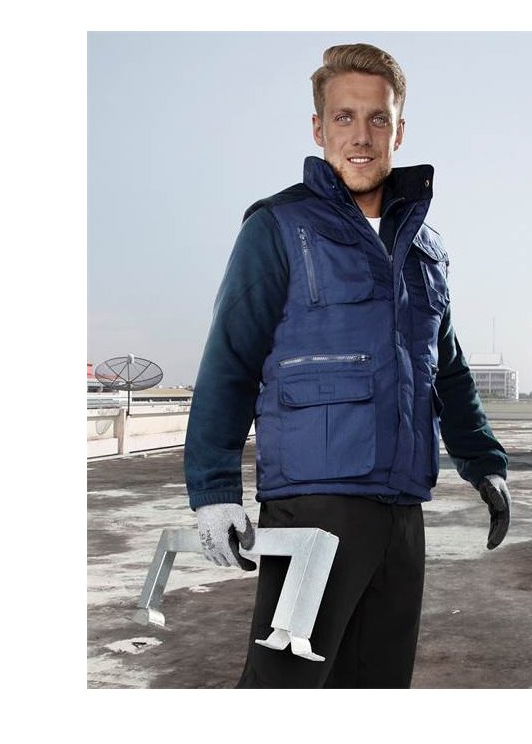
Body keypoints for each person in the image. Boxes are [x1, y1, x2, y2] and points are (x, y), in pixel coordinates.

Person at [183, 42, 510, 688]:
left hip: (401, 512)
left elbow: (446, 371)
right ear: (318, 128)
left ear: (398, 129)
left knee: (378, 687)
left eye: (378, 118)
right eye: (344, 117)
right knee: (282, 688)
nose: (361, 136)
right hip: (314, 510)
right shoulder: (278, 228)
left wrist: (484, 462)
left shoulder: (425, 249)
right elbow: (230, 361)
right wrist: (213, 491)